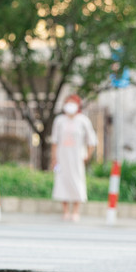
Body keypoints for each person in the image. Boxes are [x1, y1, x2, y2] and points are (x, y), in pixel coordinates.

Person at [50, 94, 97, 222]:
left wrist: (87, 155)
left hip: (77, 157)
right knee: (62, 181)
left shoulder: (83, 120)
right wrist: (54, 158)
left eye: (72, 102)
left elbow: (92, 141)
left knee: (77, 181)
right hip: (62, 157)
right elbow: (54, 141)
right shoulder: (59, 120)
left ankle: (76, 211)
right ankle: (65, 211)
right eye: (67, 102)